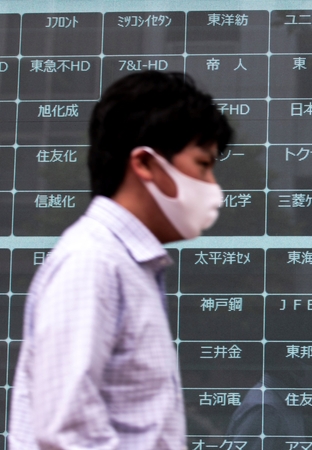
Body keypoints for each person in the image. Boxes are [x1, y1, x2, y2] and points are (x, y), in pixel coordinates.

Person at [9, 71, 232, 449]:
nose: (212, 187)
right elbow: (67, 435)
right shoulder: (93, 263)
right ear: (145, 164)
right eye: (202, 164)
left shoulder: (127, 265)